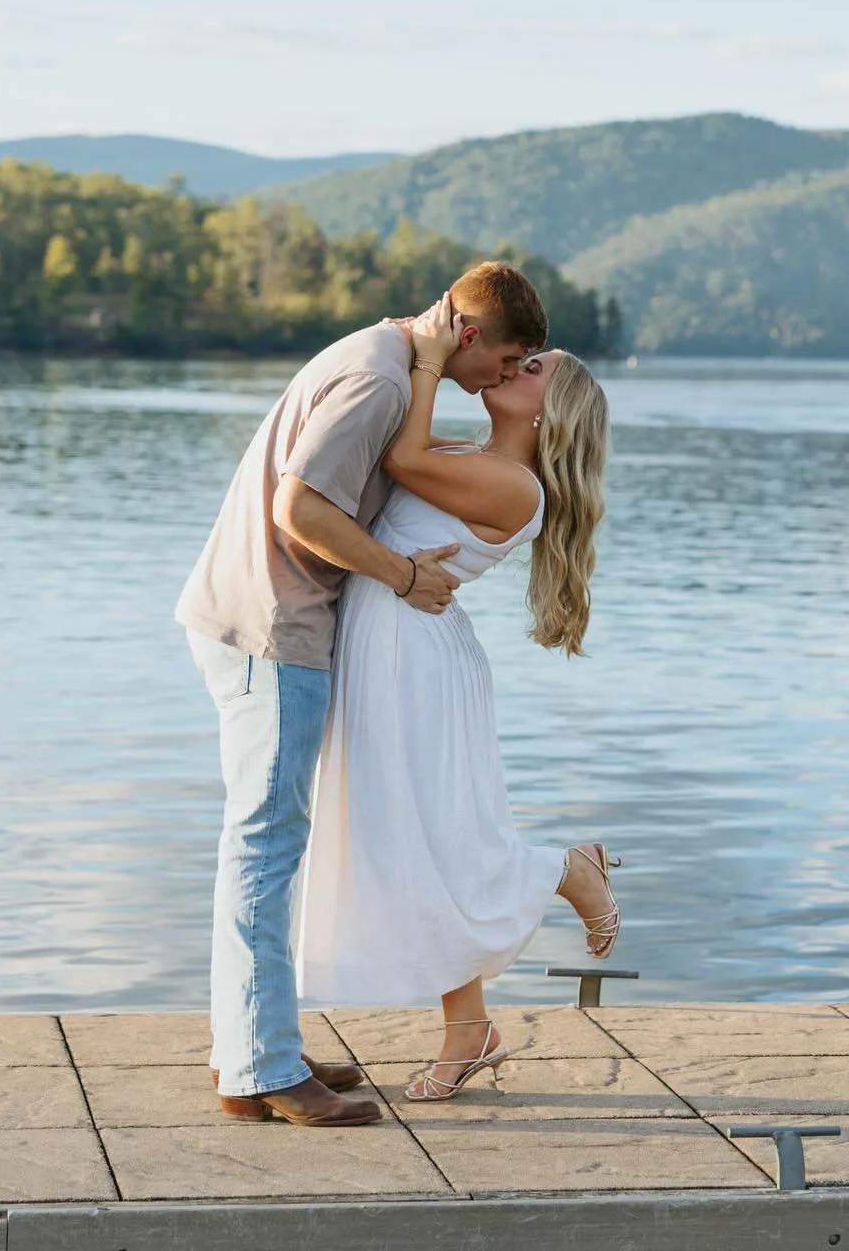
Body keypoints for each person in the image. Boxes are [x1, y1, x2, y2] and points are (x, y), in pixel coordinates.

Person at [176, 262, 549, 1125]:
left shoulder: (386, 362)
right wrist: (405, 576)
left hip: (274, 618)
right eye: (506, 358)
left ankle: (257, 1043)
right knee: (265, 843)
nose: (499, 377)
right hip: (276, 623)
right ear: (469, 334)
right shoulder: (383, 378)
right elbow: (299, 508)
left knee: (269, 842)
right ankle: (261, 1069)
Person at [295, 296, 615, 1101]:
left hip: (413, 657)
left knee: (429, 839)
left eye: (529, 368)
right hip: (391, 643)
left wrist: (432, 358)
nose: (512, 368)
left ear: (550, 412)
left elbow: (399, 461)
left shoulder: (514, 487)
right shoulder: (477, 453)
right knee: (411, 840)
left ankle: (563, 872)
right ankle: (469, 1025)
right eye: (515, 358)